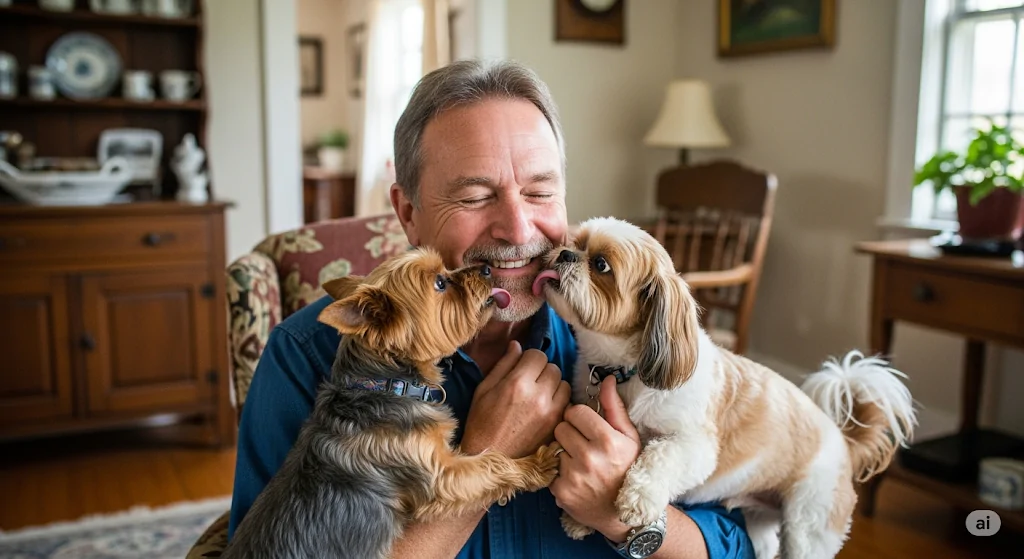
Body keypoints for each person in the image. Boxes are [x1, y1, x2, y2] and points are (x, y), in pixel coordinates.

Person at [229, 59, 753, 559]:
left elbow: (738, 546)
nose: (520, 231)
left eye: (540, 192)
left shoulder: (635, 347)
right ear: (407, 212)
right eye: (476, 197)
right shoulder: (304, 356)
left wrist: (624, 516)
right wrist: (485, 456)